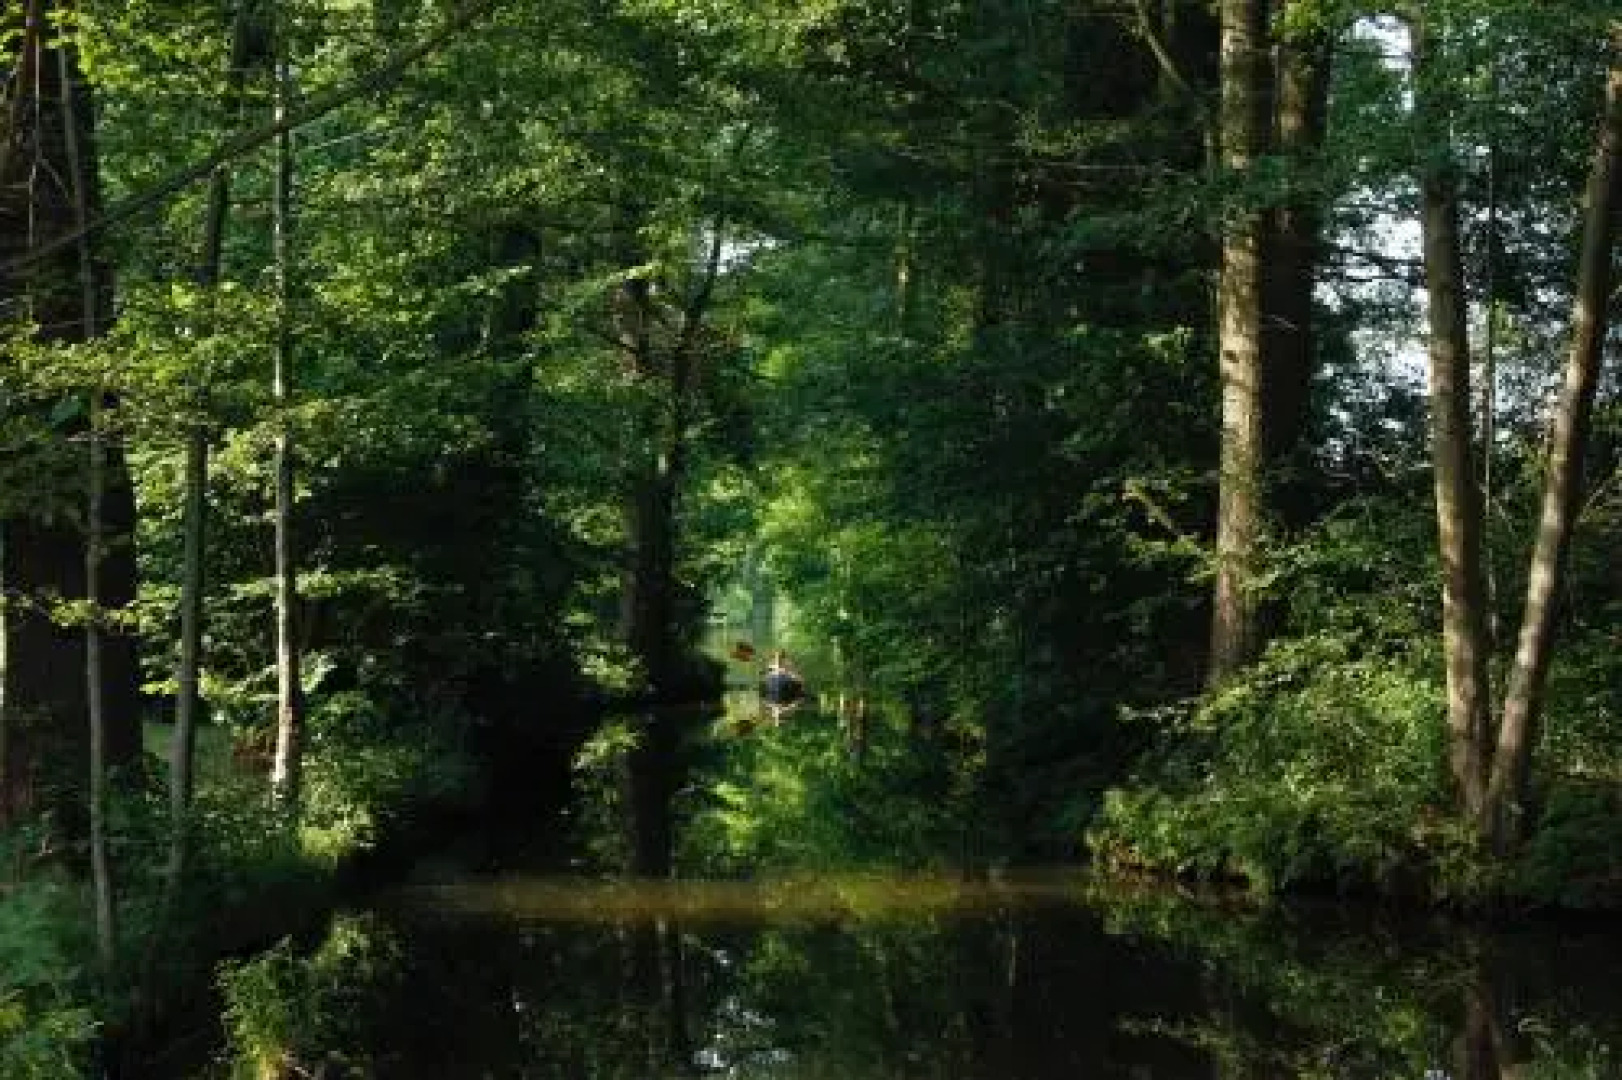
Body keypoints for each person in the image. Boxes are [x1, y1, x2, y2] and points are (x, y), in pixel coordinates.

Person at [759, 650, 805, 725]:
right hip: (778, 683)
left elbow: (795, 674)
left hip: (781, 685)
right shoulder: (773, 664)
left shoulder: (787, 663)